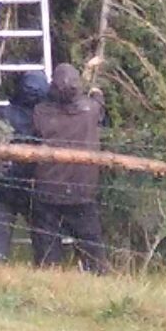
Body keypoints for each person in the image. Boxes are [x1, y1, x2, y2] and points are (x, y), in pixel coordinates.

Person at [30, 62, 109, 273]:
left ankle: (48, 278)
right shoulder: (91, 110)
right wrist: (95, 87)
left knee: (46, 246)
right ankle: (98, 278)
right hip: (81, 190)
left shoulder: (39, 113)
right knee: (91, 243)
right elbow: (98, 102)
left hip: (48, 190)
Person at [0, 71, 49, 263]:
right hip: (32, 184)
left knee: (0, 232)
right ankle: (48, 266)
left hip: (2, 184)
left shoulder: (2, 114)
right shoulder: (45, 120)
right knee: (42, 232)